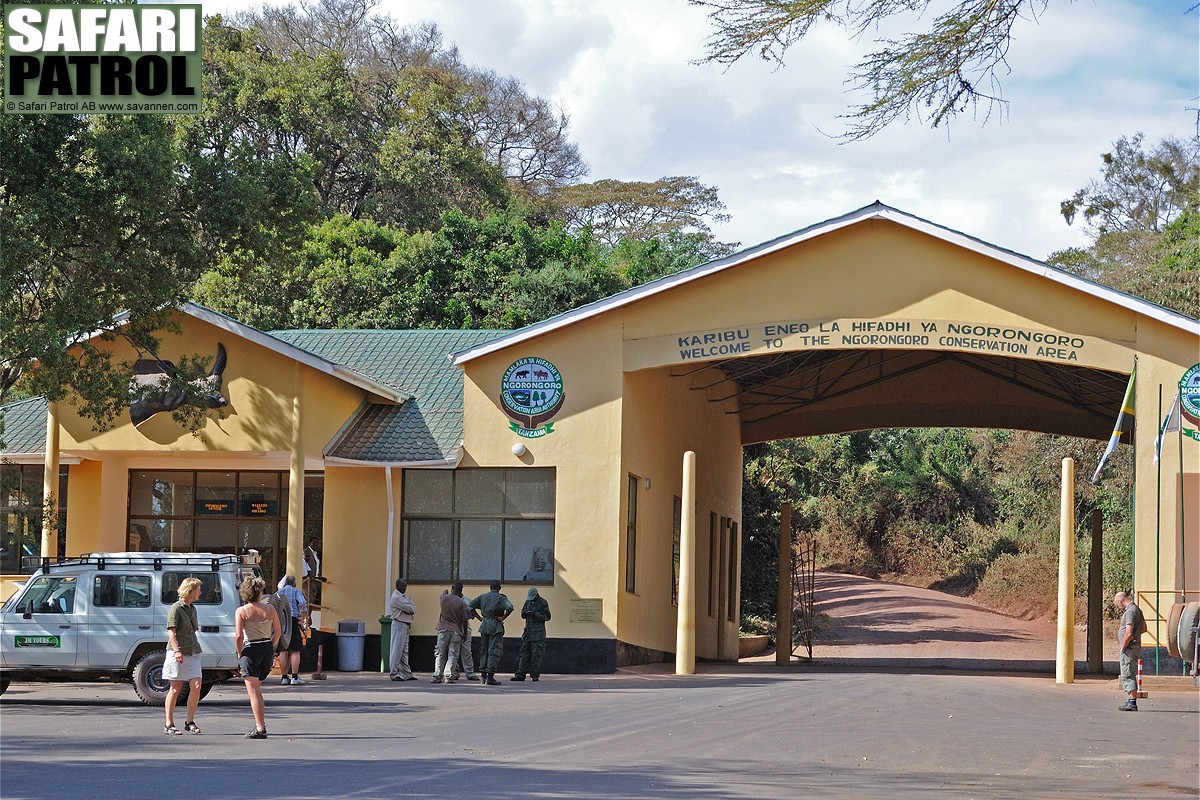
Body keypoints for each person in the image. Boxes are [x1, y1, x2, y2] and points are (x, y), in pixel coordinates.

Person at [234, 576, 281, 739]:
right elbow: (278, 632)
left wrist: (240, 654)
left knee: (253, 692)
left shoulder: (242, 611)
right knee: (258, 690)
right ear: (259, 591)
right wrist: (272, 648)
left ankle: (260, 728)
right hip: (267, 648)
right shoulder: (270, 609)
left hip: (251, 649)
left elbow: (239, 636)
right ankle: (260, 724)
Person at [163, 577, 204, 735]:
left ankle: (189, 721)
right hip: (178, 652)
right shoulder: (176, 608)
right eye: (198, 589)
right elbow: (171, 631)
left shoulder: (192, 608)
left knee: (196, 686)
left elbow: (192, 631)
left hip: (193, 651)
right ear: (191, 590)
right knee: (175, 688)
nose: (200, 592)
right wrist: (177, 650)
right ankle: (169, 723)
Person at [468, 580, 512, 685]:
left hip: (485, 625)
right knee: (494, 650)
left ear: (490, 587)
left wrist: (479, 618)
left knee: (484, 650)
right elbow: (510, 607)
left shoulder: (483, 597)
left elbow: (470, 606)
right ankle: (490, 676)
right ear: (499, 588)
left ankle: (483, 675)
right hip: (496, 626)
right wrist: (503, 618)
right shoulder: (501, 598)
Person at [432, 582, 472, 684]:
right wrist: (465, 633)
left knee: (440, 654)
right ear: (461, 591)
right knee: (452, 654)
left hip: (443, 629)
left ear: (452, 588)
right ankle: (449, 676)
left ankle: (437, 676)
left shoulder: (444, 598)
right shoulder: (462, 603)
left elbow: (443, 592)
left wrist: (447, 591)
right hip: (456, 631)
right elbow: (464, 620)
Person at [1114, 591, 1147, 711]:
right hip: (1135, 645)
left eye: (1118, 604)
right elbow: (1144, 628)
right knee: (1130, 671)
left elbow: (1128, 632)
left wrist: (1124, 646)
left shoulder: (1130, 612)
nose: (1119, 606)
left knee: (1127, 673)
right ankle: (1130, 699)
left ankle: (1132, 701)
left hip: (1129, 648)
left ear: (1120, 601)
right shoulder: (1137, 610)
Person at [511, 587, 552, 682]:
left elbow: (547, 617)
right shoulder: (528, 602)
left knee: (536, 655)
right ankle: (521, 674)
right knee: (524, 654)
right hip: (528, 633)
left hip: (538, 634)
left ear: (537, 595)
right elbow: (522, 613)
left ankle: (535, 674)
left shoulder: (543, 603)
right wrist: (525, 613)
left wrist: (535, 614)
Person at [276, 575, 309, 686]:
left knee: (283, 649)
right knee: (295, 650)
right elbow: (303, 603)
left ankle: (284, 677)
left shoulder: (279, 593)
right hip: (293, 620)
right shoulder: (296, 591)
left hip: (281, 622)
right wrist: (302, 618)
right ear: (294, 583)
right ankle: (294, 677)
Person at [388, 578, 417, 681]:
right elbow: (410, 608)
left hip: (405, 624)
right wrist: (409, 608)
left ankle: (406, 673)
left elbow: (414, 607)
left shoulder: (403, 597)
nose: (405, 587)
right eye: (403, 586)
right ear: (397, 586)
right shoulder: (396, 597)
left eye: (406, 585)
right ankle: (394, 673)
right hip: (399, 624)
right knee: (397, 650)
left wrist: (409, 608)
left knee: (404, 651)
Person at [457, 590, 481, 682]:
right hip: (454, 627)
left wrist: (478, 618)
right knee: (453, 652)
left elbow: (472, 612)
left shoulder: (466, 600)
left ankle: (470, 673)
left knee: (466, 651)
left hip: (464, 627)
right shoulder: (450, 599)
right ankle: (453, 673)